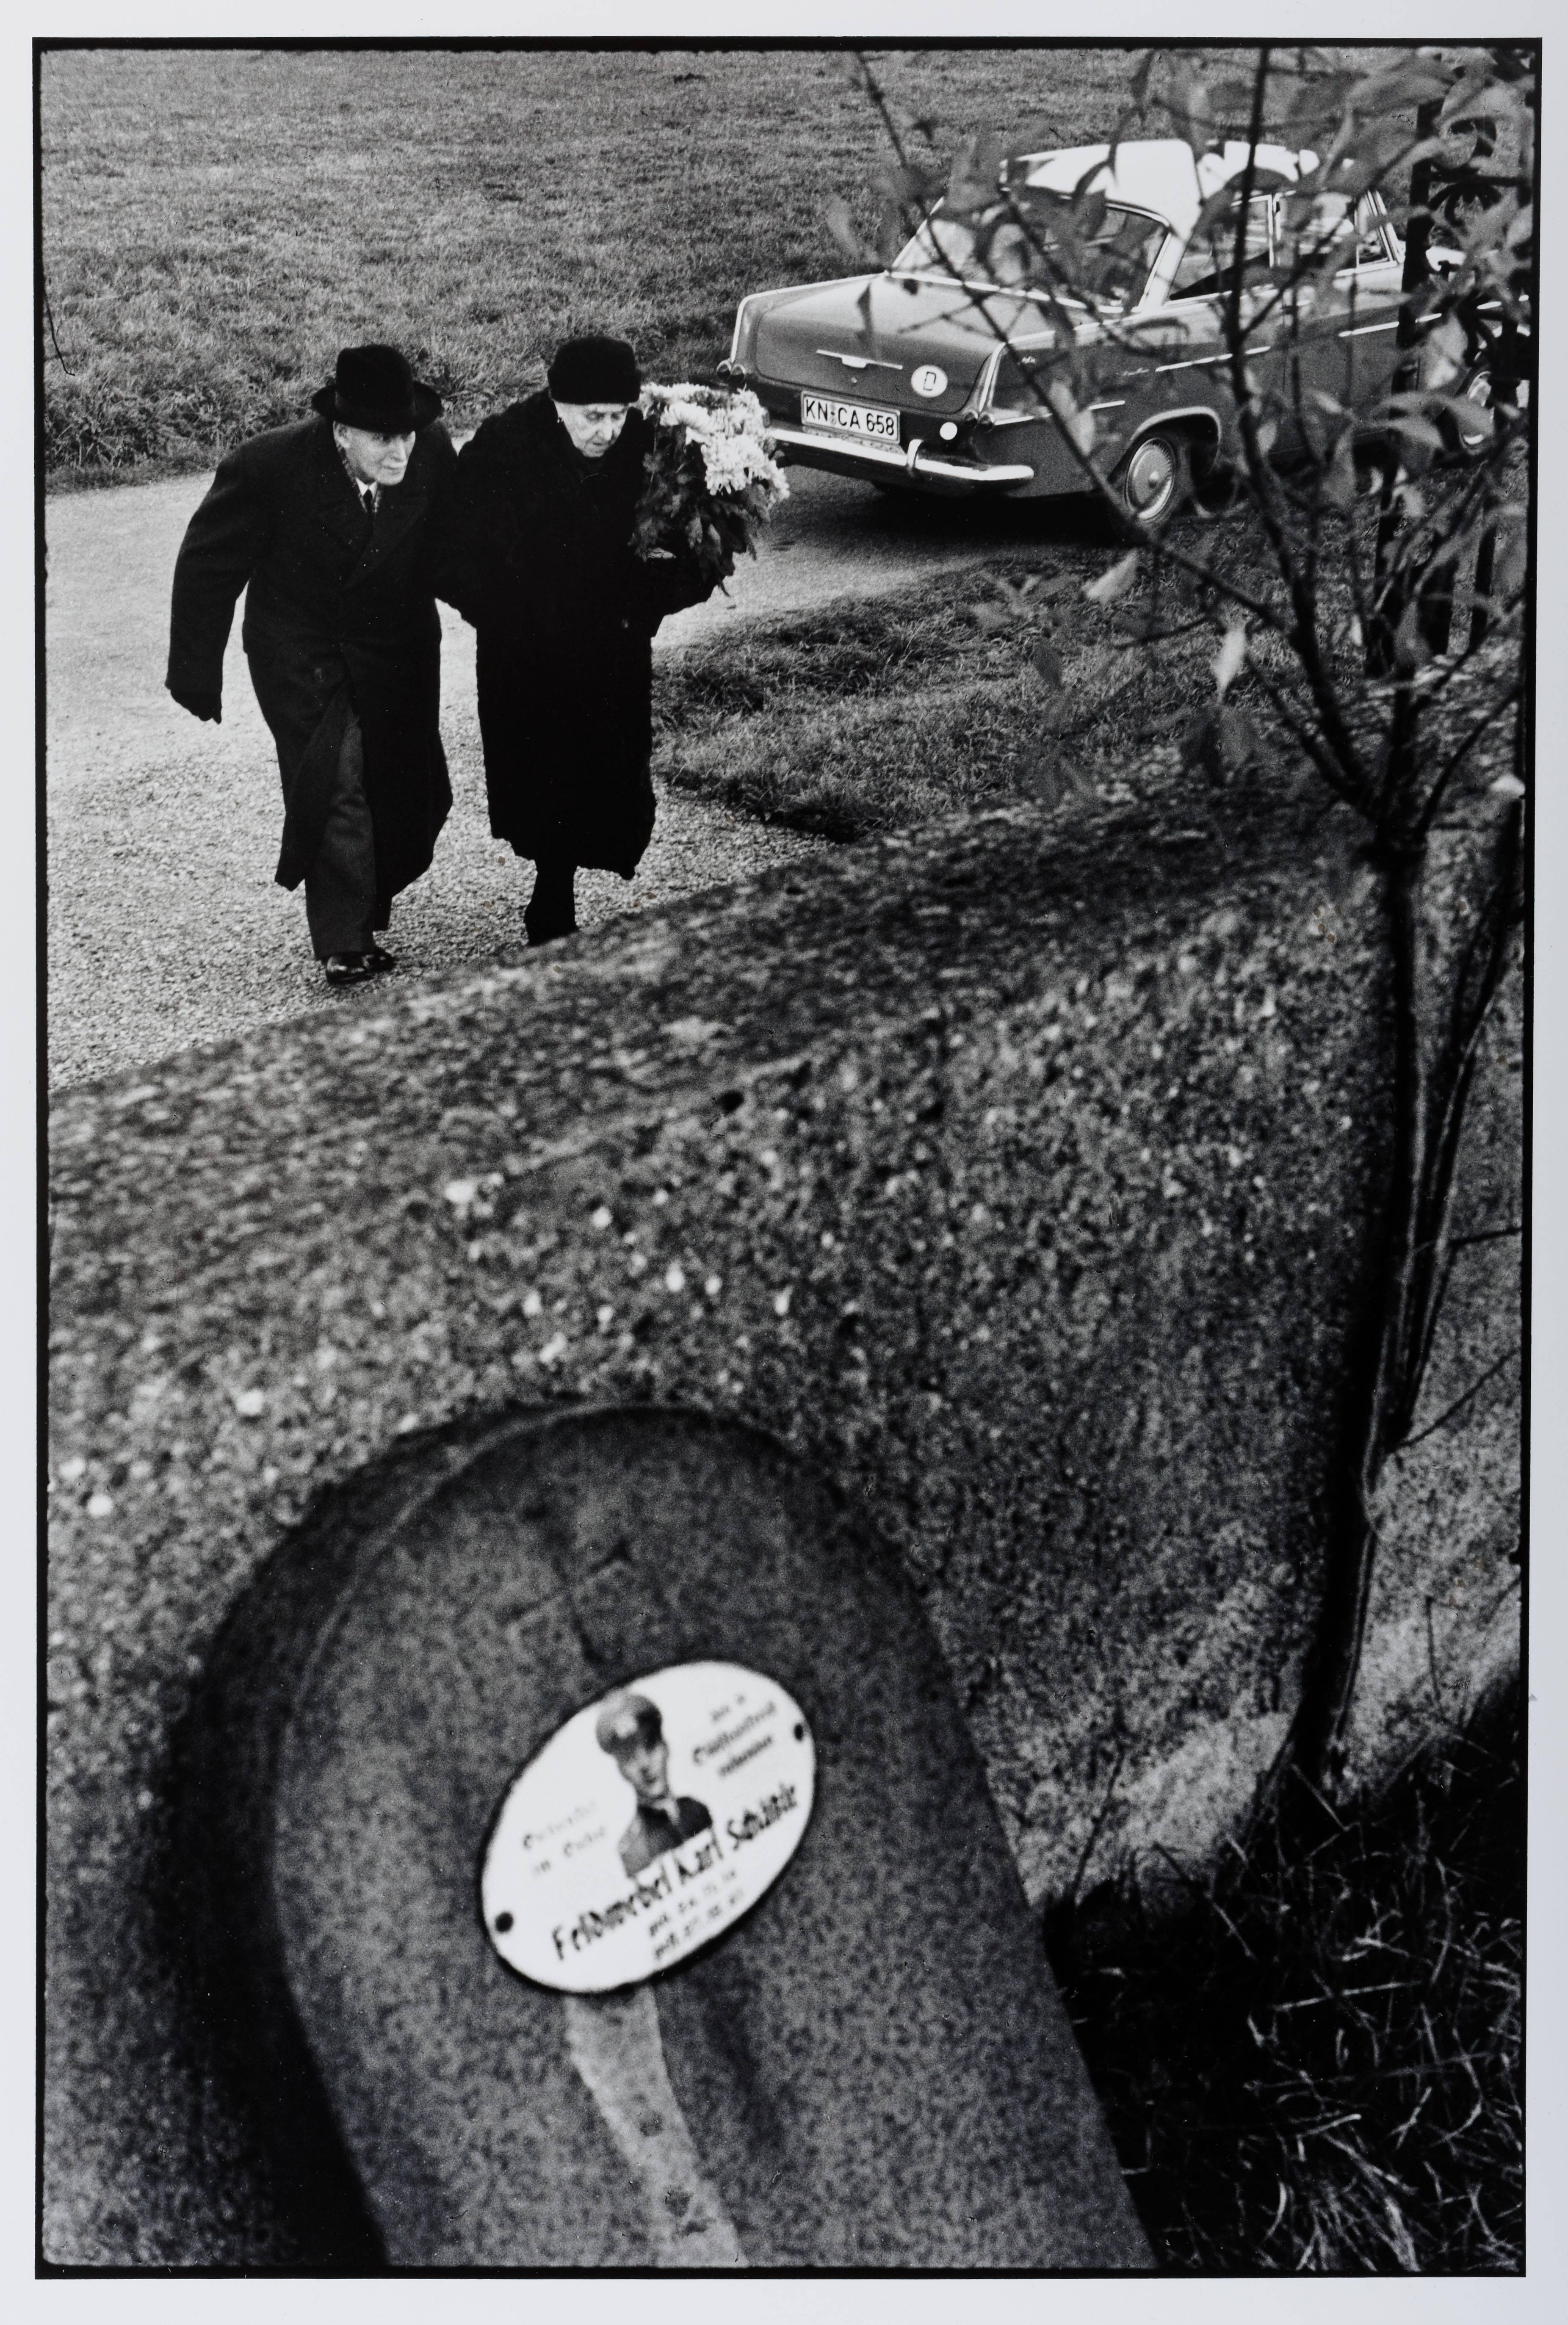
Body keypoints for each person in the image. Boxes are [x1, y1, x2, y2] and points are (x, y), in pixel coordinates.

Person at [166, 344, 456, 987]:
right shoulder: (268, 466)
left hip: (397, 648)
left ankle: (368, 899)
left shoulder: (433, 452)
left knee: (413, 791)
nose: (400, 454)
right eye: (382, 439)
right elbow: (208, 567)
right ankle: (344, 939)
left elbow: (456, 549)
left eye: (406, 435)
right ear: (342, 430)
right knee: (336, 776)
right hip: (301, 648)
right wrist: (195, 671)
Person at [433, 333, 718, 946]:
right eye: (592, 416)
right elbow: (450, 553)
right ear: (556, 403)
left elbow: (702, 553)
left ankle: (563, 879)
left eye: (617, 414)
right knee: (540, 774)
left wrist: (643, 603)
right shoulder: (504, 448)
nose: (608, 430)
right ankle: (550, 892)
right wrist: (507, 613)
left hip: (610, 651)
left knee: (605, 774)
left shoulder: (652, 450)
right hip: (526, 654)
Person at [595, 1692, 713, 1878]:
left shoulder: (696, 1810)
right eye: (630, 1757)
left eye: (650, 1746)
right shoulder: (633, 1850)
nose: (644, 1764)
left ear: (666, 1748)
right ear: (622, 1771)